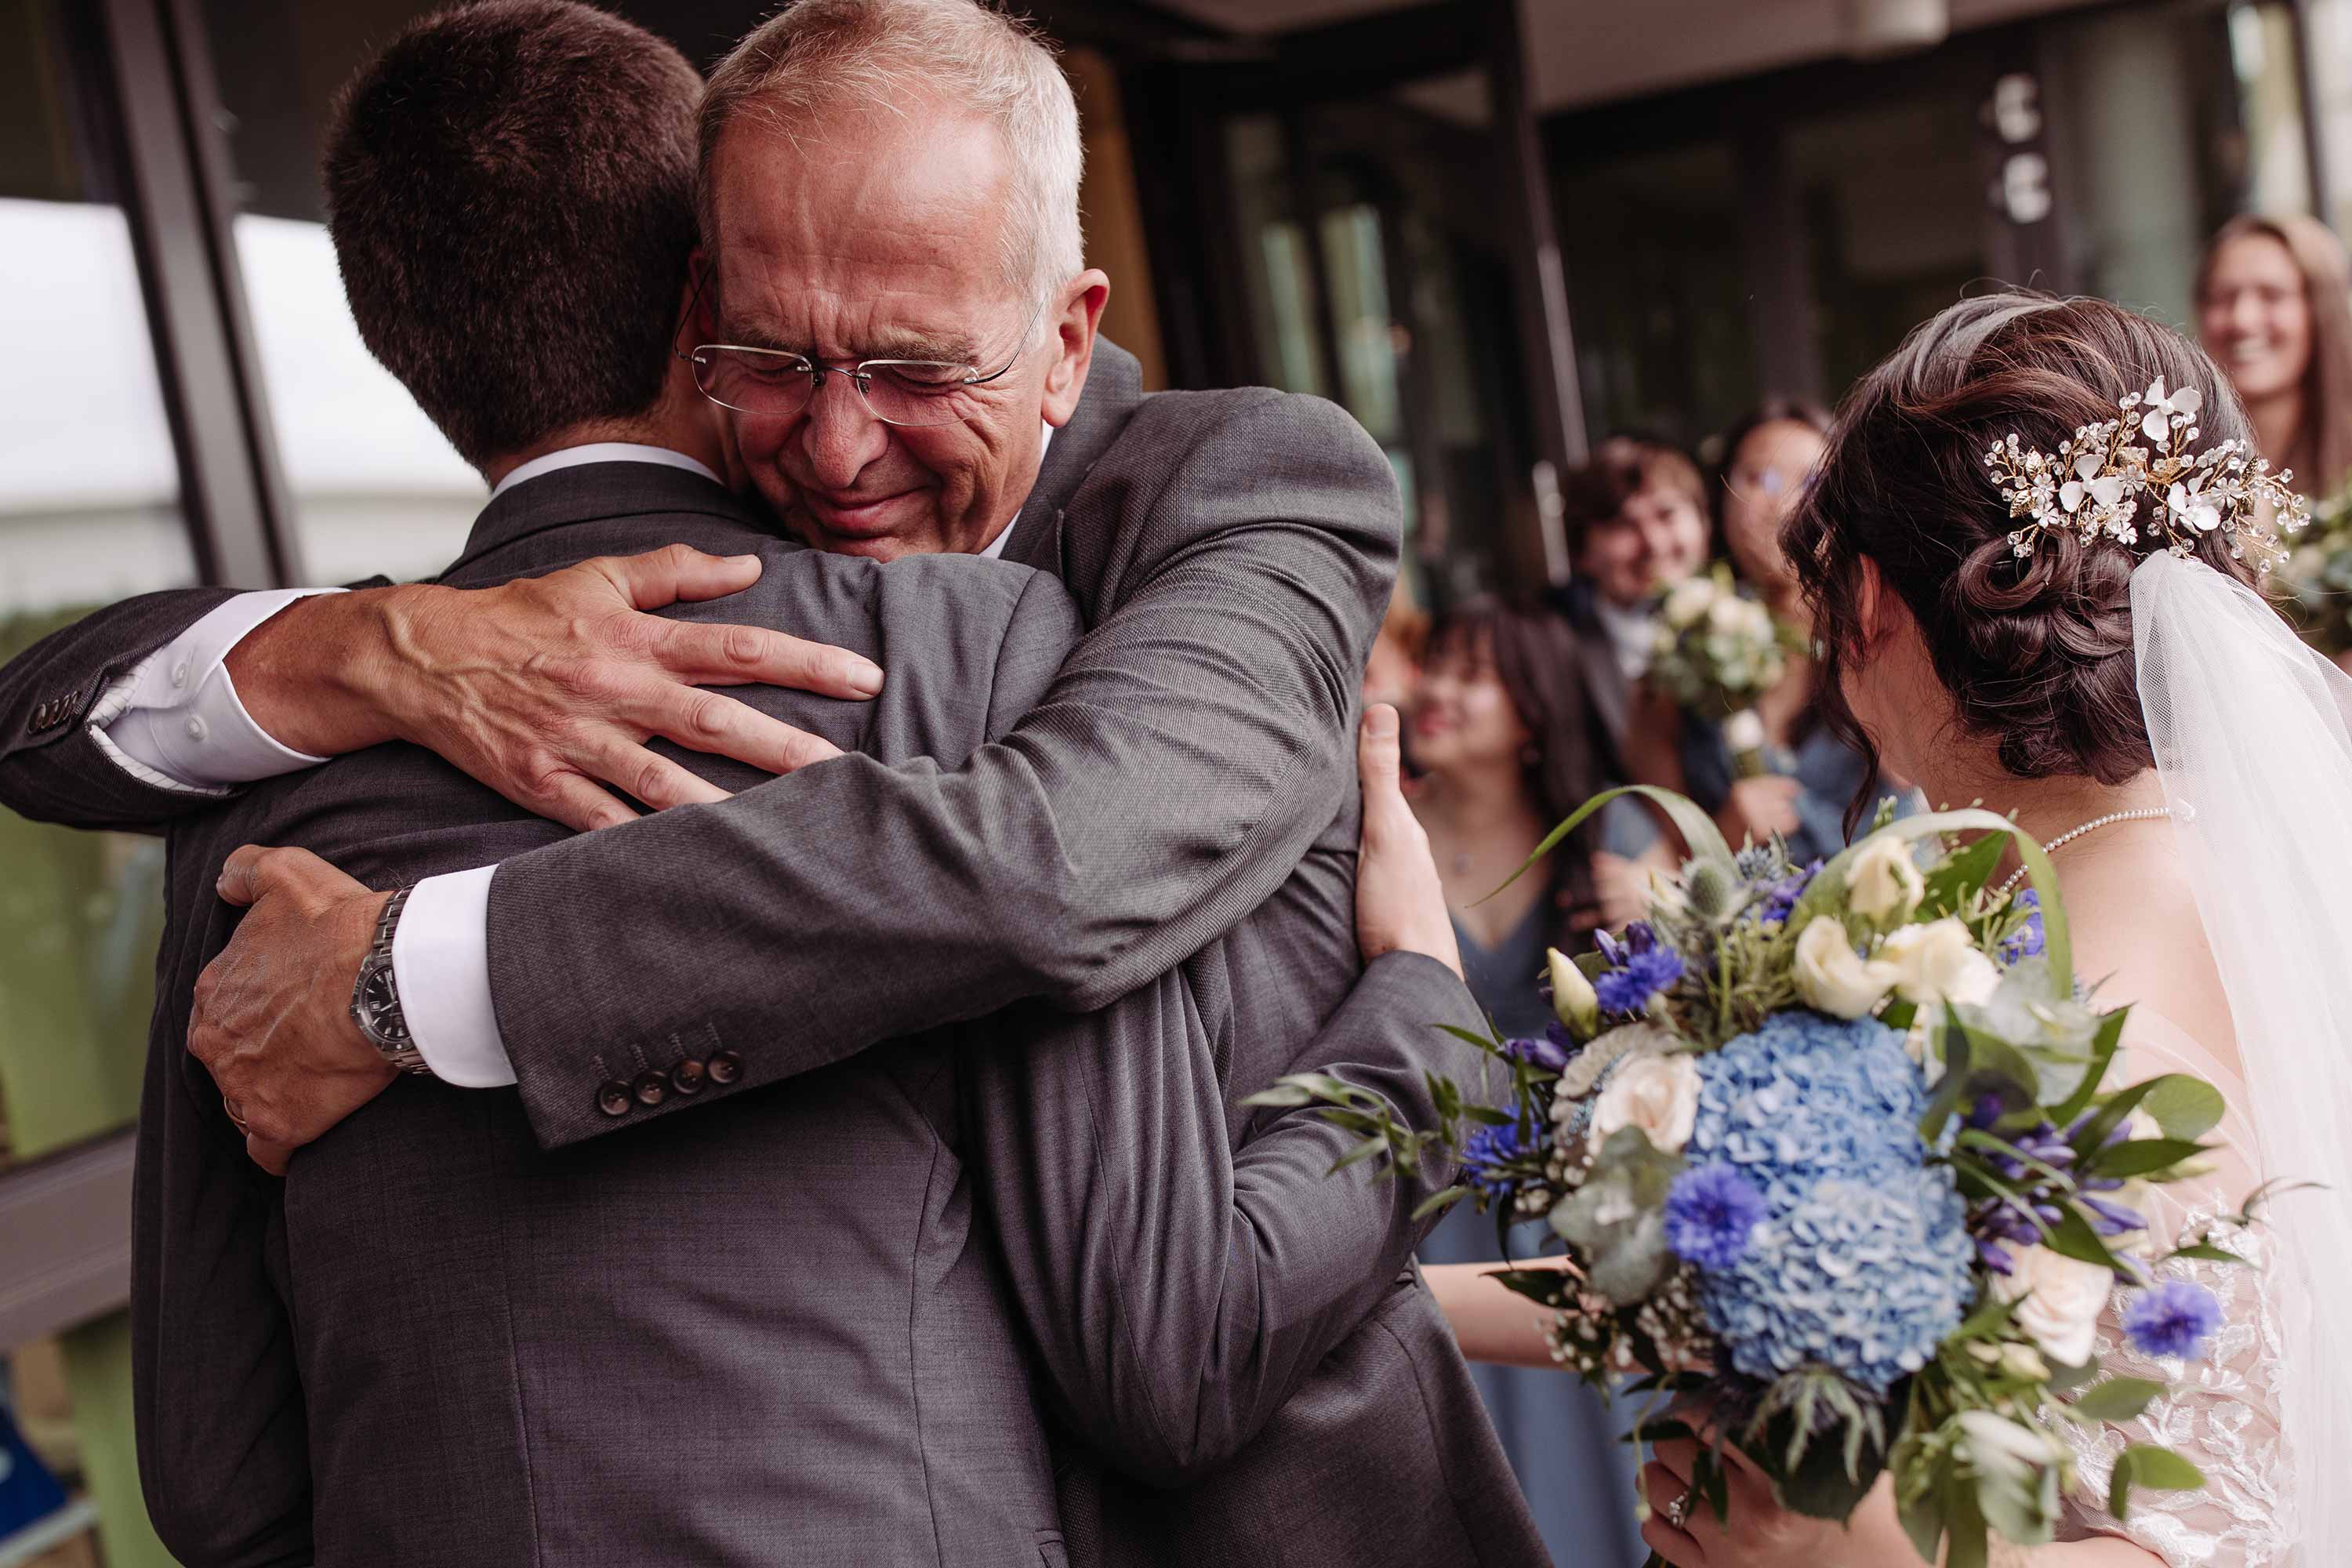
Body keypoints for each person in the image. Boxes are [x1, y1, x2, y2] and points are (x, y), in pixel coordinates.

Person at [0, 2, 1545, 1564]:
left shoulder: (1243, 499)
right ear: (698, 312)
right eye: (773, 358)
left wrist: (410, 976)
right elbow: (35, 722)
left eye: (912, 367)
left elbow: (1052, 860)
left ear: (1067, 339)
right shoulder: (475, 669)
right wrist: (374, 647)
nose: (839, 447)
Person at [1385, 294, 2350, 1564]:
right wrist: (1405, 1306)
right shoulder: (2128, 880)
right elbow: (1779, 1258)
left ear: (1878, 605)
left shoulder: (2049, 968)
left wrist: (1857, 1551)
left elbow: (2231, 1531)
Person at [1404, 595, 1647, 1567]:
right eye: (1439, 665)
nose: (1438, 691)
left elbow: (1694, 1012)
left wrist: (1656, 908)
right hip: (1429, 1161)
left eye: (1474, 675)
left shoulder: (1611, 833)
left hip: (1575, 1171)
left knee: (1590, 1433)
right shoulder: (1378, 819)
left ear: (1535, 713)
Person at [1609, 398, 1911, 866]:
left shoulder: (1885, 623)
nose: (1784, 502)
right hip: (1752, 927)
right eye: (1759, 479)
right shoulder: (1682, 639)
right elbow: (1665, 850)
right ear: (1718, 504)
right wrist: (1721, 834)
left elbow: (1918, 773)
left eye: (1811, 481)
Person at [1548, 437, 1711, 775]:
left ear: (1704, 523)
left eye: (1667, 515)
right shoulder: (1555, 651)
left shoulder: (1753, 620)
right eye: (1623, 525)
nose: (1653, 543)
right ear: (1582, 554)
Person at [2196, 213, 2352, 502]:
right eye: (2223, 297)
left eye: (2272, 295)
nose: (2242, 319)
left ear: (2322, 312)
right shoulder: (2178, 469)